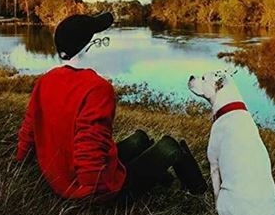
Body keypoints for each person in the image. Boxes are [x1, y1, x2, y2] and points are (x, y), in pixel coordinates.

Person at [16, 12, 207, 201]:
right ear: (90, 47)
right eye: (102, 41)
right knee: (170, 146)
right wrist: (92, 194)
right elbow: (89, 145)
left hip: (59, 178)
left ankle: (163, 180)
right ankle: (199, 193)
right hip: (92, 189)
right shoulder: (97, 88)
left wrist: (20, 161)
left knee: (140, 139)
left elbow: (29, 129)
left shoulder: (45, 80)